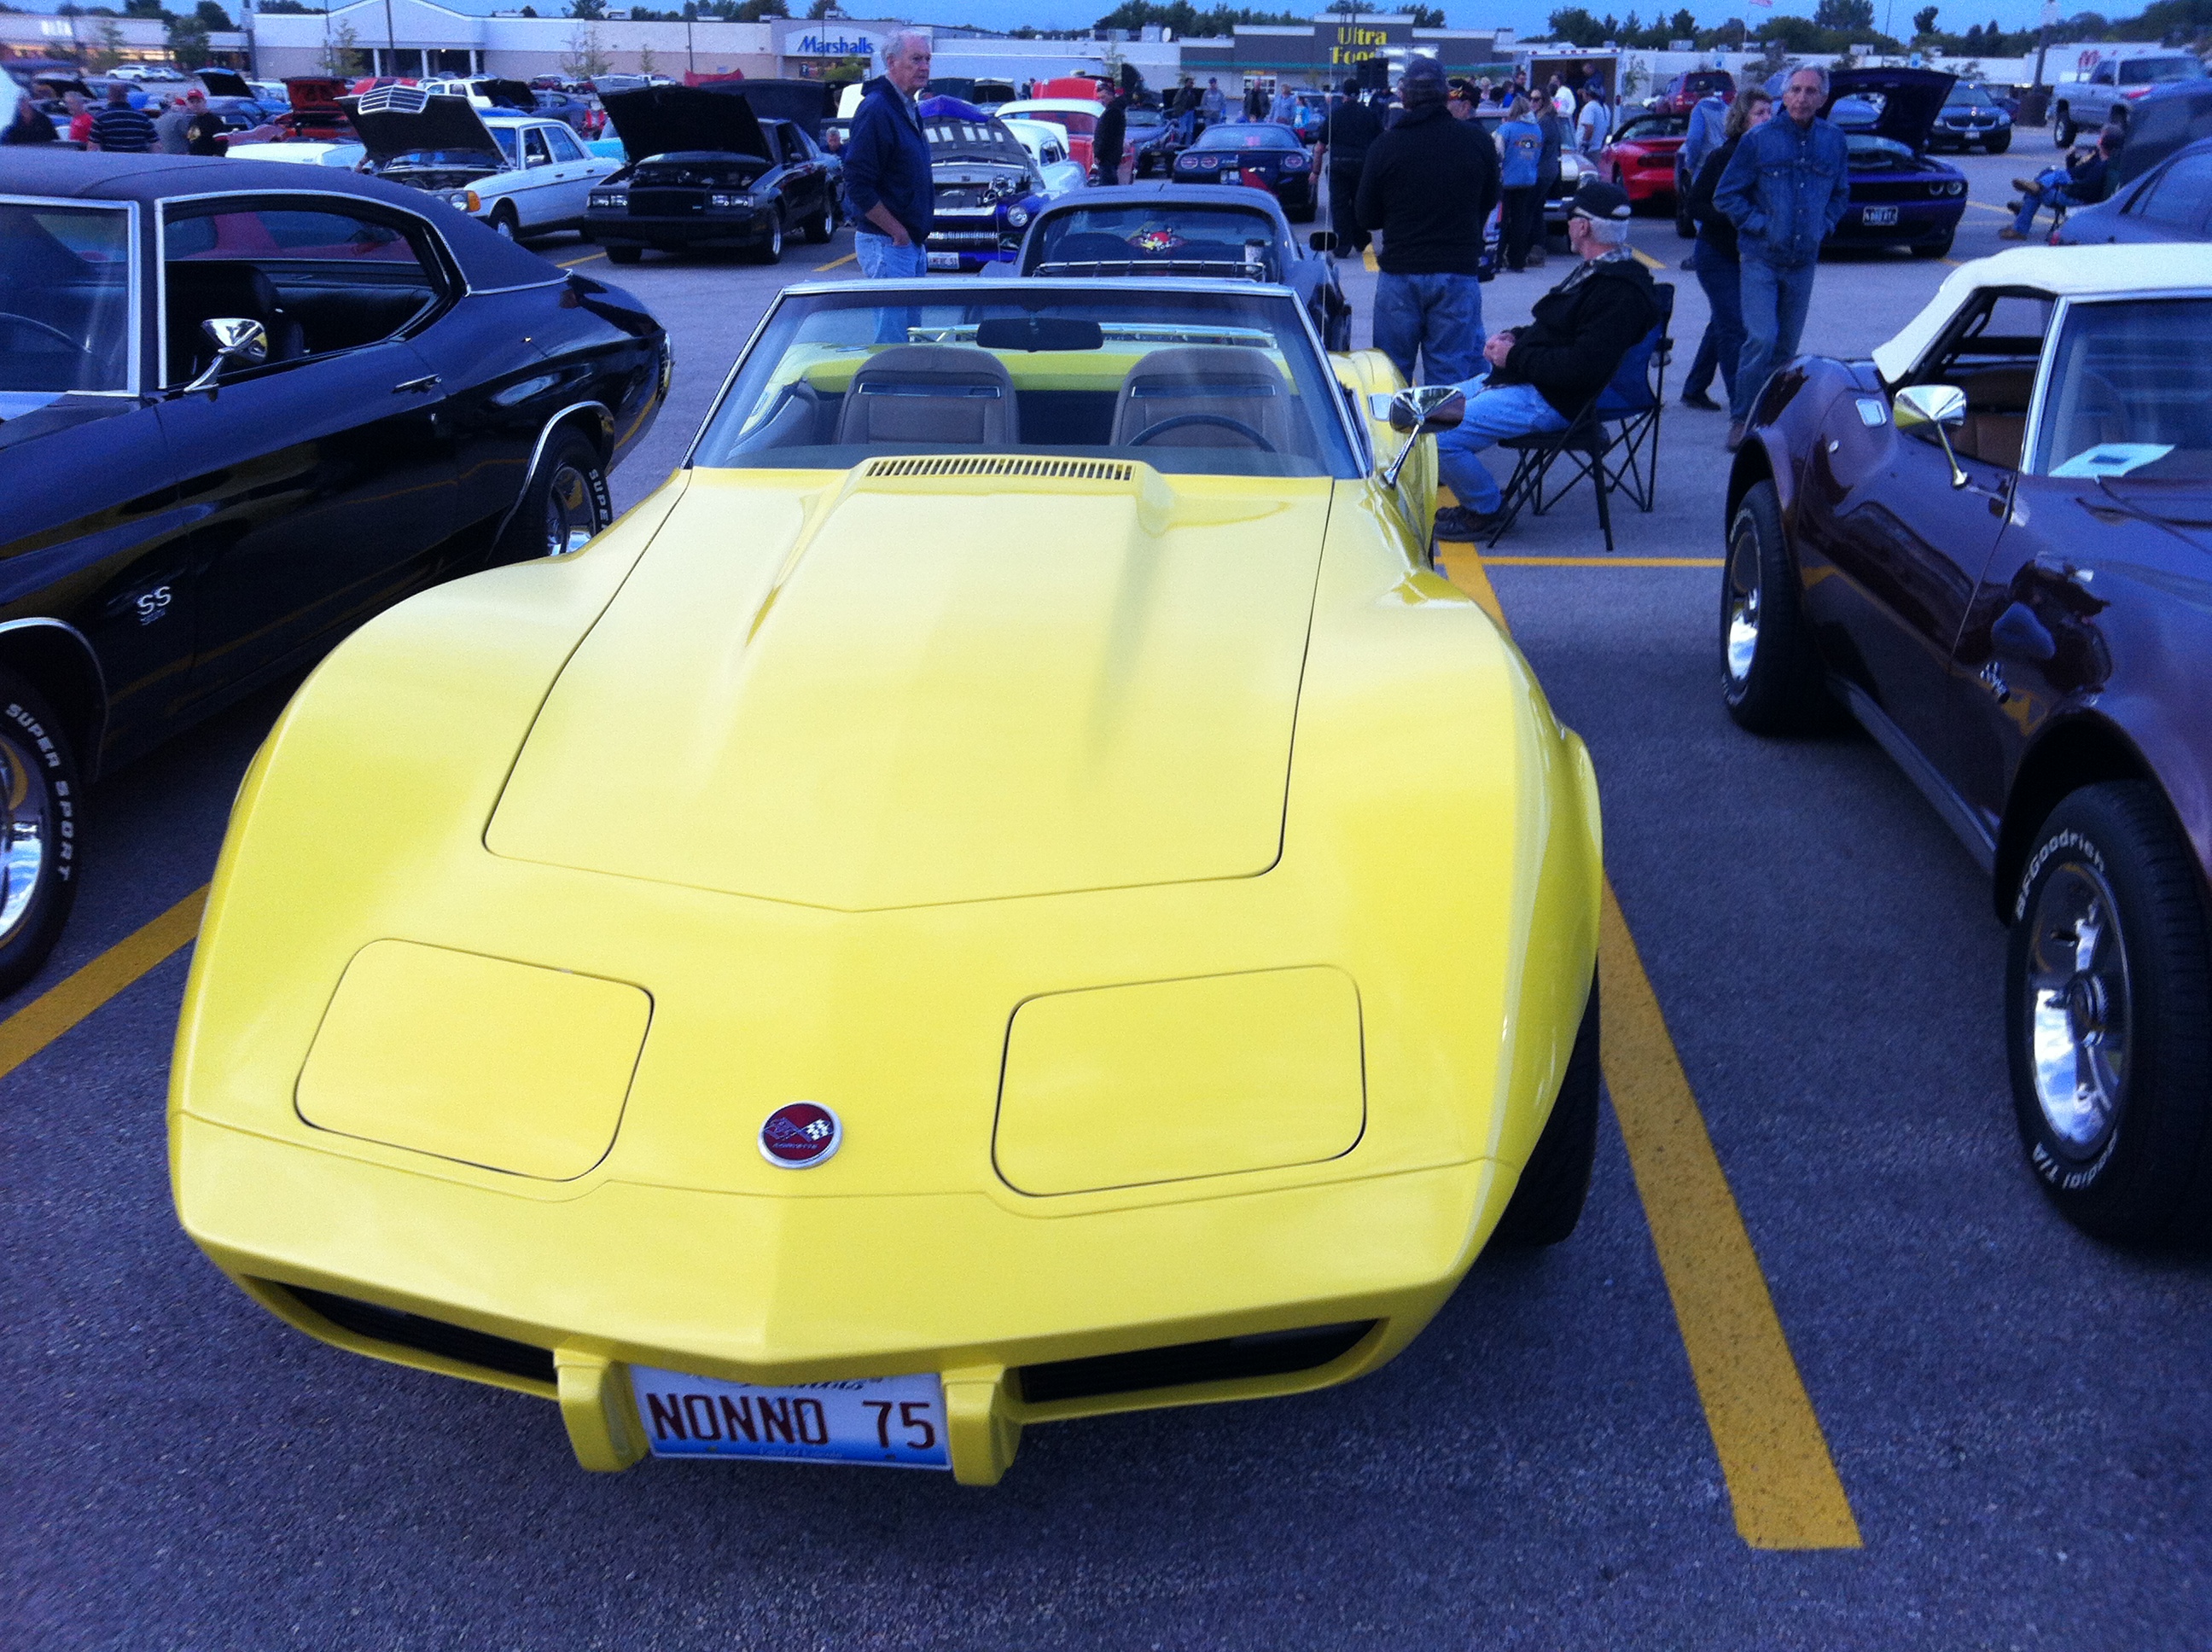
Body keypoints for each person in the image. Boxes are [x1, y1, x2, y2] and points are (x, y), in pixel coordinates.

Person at [1428, 179, 1660, 540]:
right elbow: (1560, 329)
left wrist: (1514, 356)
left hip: (1554, 399)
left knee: (1437, 432)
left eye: (1571, 219)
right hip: (1532, 381)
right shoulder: (1602, 270)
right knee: (1423, 406)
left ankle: (1487, 510)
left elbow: (1581, 368)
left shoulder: (1618, 291)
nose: (1567, 225)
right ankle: (1481, 501)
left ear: (1583, 227)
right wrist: (1514, 337)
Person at [1714, 64, 1849, 450]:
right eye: (1796, 90)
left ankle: (1772, 419)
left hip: (1803, 260)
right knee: (1761, 338)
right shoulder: (1758, 140)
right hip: (1761, 257)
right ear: (1784, 96)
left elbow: (1841, 193)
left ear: (1823, 98)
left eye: (1811, 91)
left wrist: (1824, 225)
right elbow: (1726, 195)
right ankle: (1742, 418)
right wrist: (1762, 224)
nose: (1802, 98)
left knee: (1787, 348)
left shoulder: (1834, 140)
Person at [1357, 55, 1499, 387]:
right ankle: (1442, 425)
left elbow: (1366, 215)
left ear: (1404, 96)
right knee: (1449, 378)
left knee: (1391, 375)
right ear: (1445, 95)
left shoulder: (1386, 146)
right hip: (1457, 272)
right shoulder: (1477, 141)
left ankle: (1396, 424)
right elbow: (1490, 198)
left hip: (1400, 272)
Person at [1678, 89, 1772, 413]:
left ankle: (1693, 388)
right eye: (1759, 113)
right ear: (1742, 118)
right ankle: (1742, 406)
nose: (1767, 118)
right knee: (1735, 327)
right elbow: (1695, 205)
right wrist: (1738, 217)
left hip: (1748, 258)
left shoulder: (1768, 157)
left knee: (1722, 321)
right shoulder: (1723, 157)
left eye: (1769, 112)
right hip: (1716, 255)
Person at [844, 30, 934, 280]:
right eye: (916, 59)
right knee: (894, 310)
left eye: (927, 59)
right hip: (888, 244)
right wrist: (897, 232)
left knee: (911, 311)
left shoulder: (907, 108)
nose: (925, 67)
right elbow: (857, 182)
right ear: (892, 61)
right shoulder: (877, 109)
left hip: (910, 244)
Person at [2003, 125, 2120, 239]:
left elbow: (2086, 189)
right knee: (2050, 172)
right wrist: (2071, 158)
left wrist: (2064, 188)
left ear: (2103, 143)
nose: (2098, 141)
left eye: (2100, 138)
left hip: (2079, 199)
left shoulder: (2102, 167)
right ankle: (2025, 211)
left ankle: (2021, 225)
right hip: (2074, 188)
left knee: (2036, 192)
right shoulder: (2099, 160)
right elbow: (2075, 171)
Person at [1318, 75, 1381, 255]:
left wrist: (1315, 171)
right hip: (1363, 165)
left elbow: (1321, 146)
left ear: (1343, 94)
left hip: (1339, 165)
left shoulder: (1335, 115)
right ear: (1359, 95)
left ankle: (1342, 244)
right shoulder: (1370, 114)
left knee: (1339, 205)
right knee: (1360, 202)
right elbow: (1380, 141)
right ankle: (1361, 240)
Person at [1495, 94, 1546, 272]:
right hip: (1528, 180)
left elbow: (1498, 153)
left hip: (1506, 181)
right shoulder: (1537, 130)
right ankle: (1517, 261)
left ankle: (1497, 259)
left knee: (1501, 221)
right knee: (1520, 221)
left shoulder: (1506, 129)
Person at [1531, 90, 1570, 266]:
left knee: (1533, 211)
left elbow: (1535, 145)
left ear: (1544, 101)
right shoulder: (1547, 120)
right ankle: (1537, 249)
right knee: (1536, 210)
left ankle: (1536, 250)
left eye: (1536, 99)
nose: (1532, 102)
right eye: (1531, 99)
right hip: (1548, 170)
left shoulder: (1545, 122)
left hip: (1542, 171)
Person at [90, 84, 157, 154]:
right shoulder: (142, 117)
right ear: (126, 96)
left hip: (112, 159)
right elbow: (156, 144)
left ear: (109, 96)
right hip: (137, 158)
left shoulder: (101, 117)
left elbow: (93, 147)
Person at [1092, 88, 1128, 185]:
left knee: (1107, 184)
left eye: (1104, 97)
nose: (1102, 100)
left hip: (1107, 156)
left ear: (1111, 96)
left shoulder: (1112, 112)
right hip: (1112, 155)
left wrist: (1099, 154)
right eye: (1100, 98)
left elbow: (1106, 136)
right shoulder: (1116, 110)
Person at [1575, 83, 1611, 154]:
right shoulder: (1605, 107)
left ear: (1587, 93)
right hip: (1598, 148)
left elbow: (1589, 128)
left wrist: (1584, 145)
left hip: (1587, 151)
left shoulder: (1590, 107)